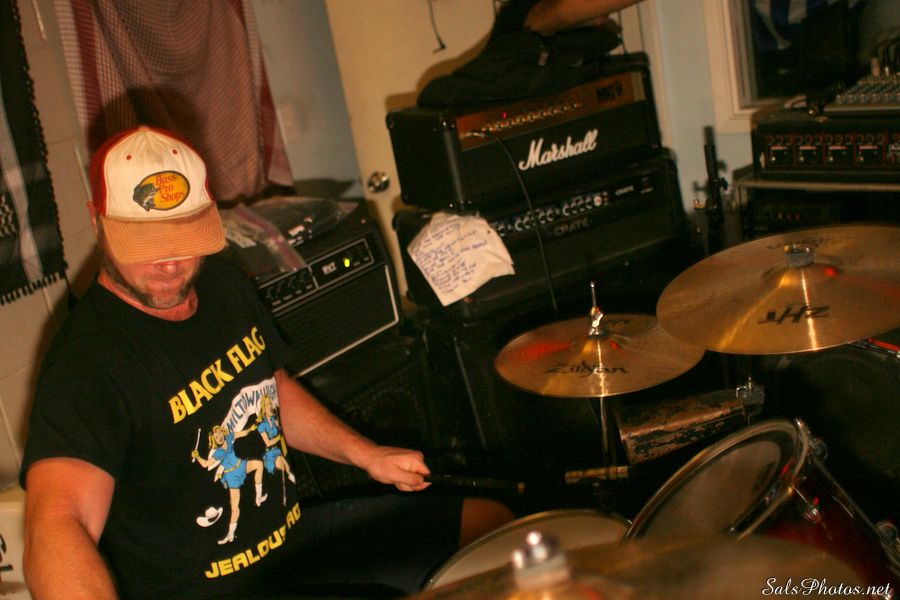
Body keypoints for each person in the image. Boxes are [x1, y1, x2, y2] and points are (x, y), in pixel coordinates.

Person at [19, 125, 514, 600]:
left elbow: (270, 388)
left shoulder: (221, 285)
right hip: (211, 594)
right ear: (97, 221)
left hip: (294, 548)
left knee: (490, 527)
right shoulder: (86, 365)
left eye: (184, 236)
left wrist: (365, 454)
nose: (169, 263)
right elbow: (58, 523)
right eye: (146, 245)